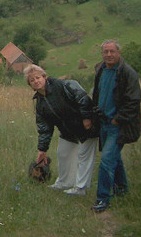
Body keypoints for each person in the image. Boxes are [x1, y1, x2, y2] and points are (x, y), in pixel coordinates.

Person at [24, 64, 99, 196]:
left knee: (83, 157)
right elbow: (44, 128)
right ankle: (64, 183)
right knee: (62, 154)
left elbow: (83, 98)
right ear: (30, 85)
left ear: (44, 77)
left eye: (38, 77)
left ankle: (80, 188)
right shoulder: (40, 103)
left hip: (86, 128)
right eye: (32, 80)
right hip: (67, 132)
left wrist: (87, 118)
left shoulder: (64, 85)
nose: (36, 81)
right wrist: (42, 150)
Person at [91, 40, 141, 213]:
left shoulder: (127, 73)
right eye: (105, 52)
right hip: (103, 122)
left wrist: (118, 120)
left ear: (118, 52)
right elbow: (97, 94)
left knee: (106, 160)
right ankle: (122, 189)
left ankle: (102, 199)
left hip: (117, 125)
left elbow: (133, 100)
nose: (109, 55)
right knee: (114, 158)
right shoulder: (101, 70)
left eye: (112, 51)